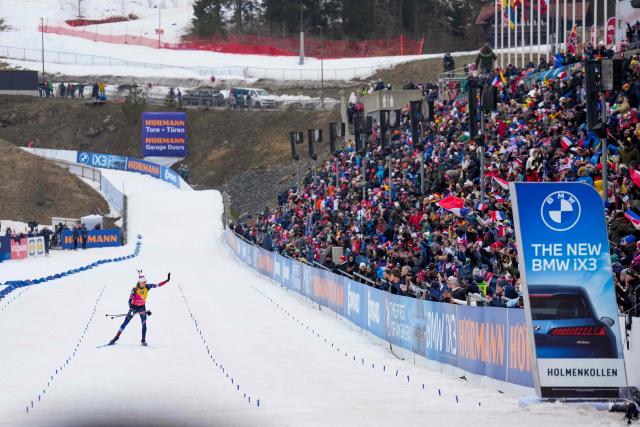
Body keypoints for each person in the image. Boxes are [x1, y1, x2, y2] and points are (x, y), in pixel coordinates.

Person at [109, 271, 171, 346]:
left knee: (144, 324)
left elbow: (157, 285)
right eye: (144, 282)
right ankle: (116, 337)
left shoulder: (147, 287)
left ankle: (143, 340)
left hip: (142, 308)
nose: (145, 283)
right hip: (134, 308)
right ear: (140, 282)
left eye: (145, 281)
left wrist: (167, 280)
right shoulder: (135, 289)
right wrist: (131, 309)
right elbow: (129, 300)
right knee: (125, 323)